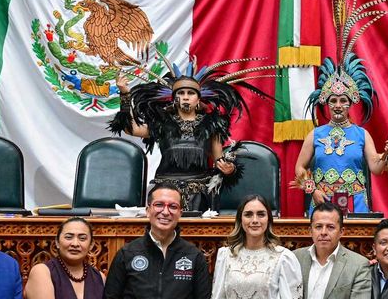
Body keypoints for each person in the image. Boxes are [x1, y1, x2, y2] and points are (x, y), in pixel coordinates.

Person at [295, 0, 388, 215]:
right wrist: (312, 189)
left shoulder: (362, 135)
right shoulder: (315, 135)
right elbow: (299, 169)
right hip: (322, 206)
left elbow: (376, 168)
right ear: (326, 103)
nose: (338, 105)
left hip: (357, 205)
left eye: (343, 100)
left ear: (351, 102)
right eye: (333, 101)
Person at [111, 53, 273, 211]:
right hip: (165, 190)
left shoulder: (212, 124)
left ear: (198, 99)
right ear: (174, 98)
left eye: (190, 93)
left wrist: (229, 169)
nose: (186, 97)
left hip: (199, 191)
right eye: (181, 93)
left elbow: (218, 160)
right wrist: (125, 94)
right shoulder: (162, 122)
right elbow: (131, 129)